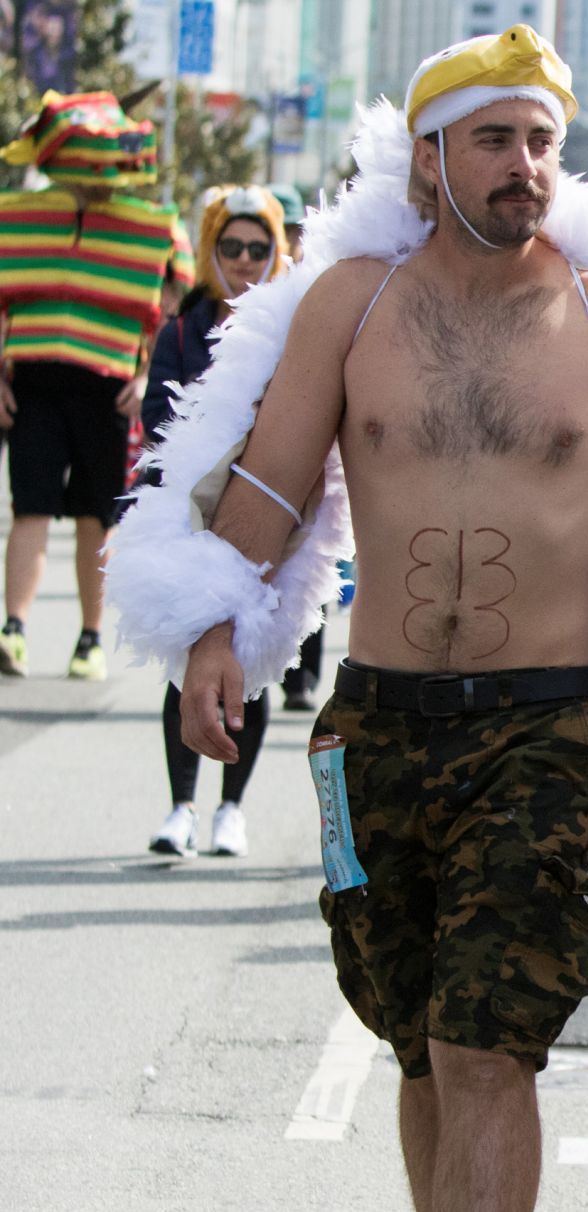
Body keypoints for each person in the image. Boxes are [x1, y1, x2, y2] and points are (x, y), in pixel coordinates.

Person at [109, 26, 588, 1212]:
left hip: (541, 721)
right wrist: (213, 638)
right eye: (498, 139)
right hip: (375, 719)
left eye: (542, 142)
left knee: (487, 1035)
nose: (527, 167)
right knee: (414, 1036)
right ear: (428, 155)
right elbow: (270, 495)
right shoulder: (350, 303)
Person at [0, 92, 181, 679]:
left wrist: (146, 372)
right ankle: (15, 628)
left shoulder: (151, 228)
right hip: (32, 385)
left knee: (96, 518)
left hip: (108, 391)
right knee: (29, 508)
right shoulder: (21, 216)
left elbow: (171, 306)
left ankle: (89, 639)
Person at [139, 186, 291, 857]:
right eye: (232, 246)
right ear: (210, 250)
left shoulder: (292, 328)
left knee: (247, 664)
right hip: (187, 518)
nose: (246, 260)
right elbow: (155, 424)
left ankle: (231, 807)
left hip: (266, 516)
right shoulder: (181, 328)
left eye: (260, 248)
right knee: (184, 665)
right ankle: (180, 806)